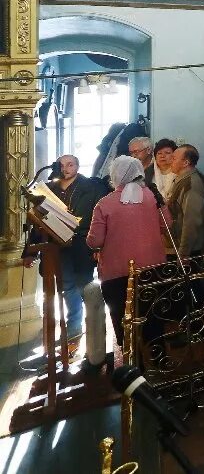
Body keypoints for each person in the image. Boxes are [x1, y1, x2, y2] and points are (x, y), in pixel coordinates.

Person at [24, 154, 108, 355]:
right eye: (62, 165)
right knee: (67, 287)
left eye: (70, 164)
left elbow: (101, 221)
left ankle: (94, 333)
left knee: (85, 287)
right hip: (57, 247)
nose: (65, 168)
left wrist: (100, 247)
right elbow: (38, 222)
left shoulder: (93, 187)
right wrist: (29, 252)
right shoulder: (49, 189)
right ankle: (74, 329)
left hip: (82, 246)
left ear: (78, 166)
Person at [85, 156, 167, 359]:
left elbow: (94, 241)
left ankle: (132, 365)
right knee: (153, 317)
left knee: (124, 319)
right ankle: (160, 360)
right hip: (153, 268)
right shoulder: (151, 197)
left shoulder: (105, 204)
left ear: (116, 175)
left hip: (117, 272)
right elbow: (168, 225)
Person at [166, 144, 204, 256]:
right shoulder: (181, 179)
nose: (170, 160)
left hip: (188, 251)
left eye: (174, 158)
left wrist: (183, 255)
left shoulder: (192, 184)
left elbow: (191, 222)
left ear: (186, 163)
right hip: (176, 246)